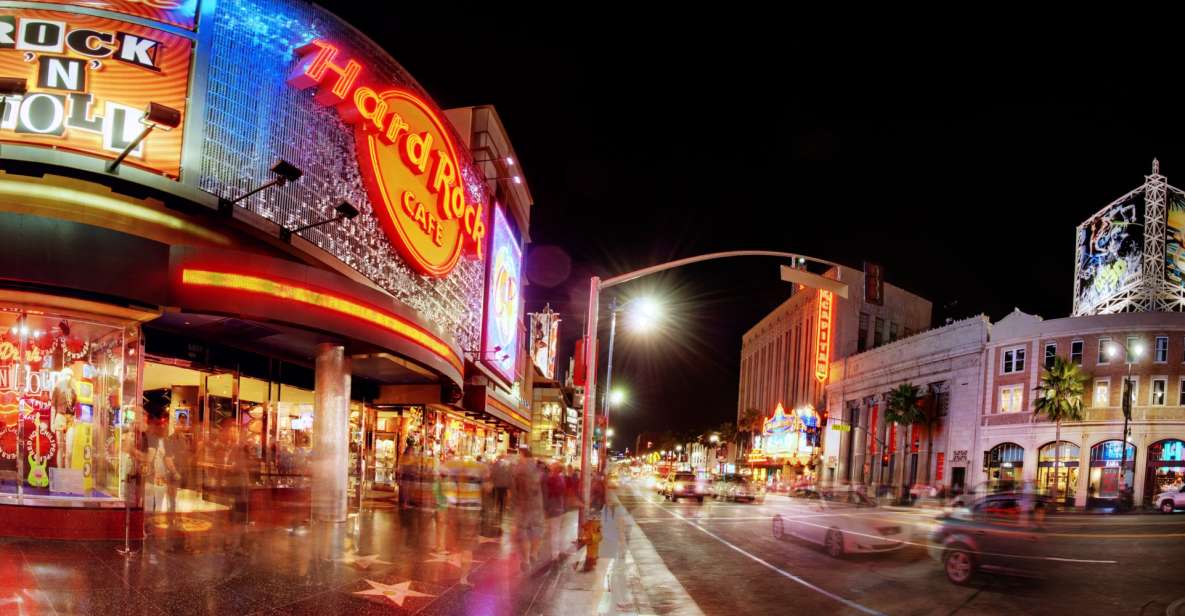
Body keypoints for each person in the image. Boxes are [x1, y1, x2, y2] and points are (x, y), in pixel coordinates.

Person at [511, 446, 545, 572]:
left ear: (522, 454)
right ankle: (534, 553)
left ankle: (525, 559)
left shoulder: (518, 468)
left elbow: (514, 489)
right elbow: (546, 485)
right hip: (537, 505)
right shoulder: (540, 467)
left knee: (523, 532)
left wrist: (513, 505)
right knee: (537, 529)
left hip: (523, 506)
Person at [543, 462, 567, 562]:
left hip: (553, 508)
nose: (550, 466)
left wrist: (545, 509)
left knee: (553, 532)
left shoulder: (552, 479)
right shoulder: (561, 479)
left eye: (552, 466)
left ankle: (555, 555)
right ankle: (556, 552)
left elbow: (547, 495)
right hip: (559, 508)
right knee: (555, 531)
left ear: (556, 469)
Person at [491, 454, 513, 520]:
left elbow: (493, 473)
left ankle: (497, 507)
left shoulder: (496, 465)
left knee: (497, 496)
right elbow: (509, 475)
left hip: (497, 484)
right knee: (502, 497)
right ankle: (500, 509)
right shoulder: (507, 466)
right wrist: (509, 485)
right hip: (503, 485)